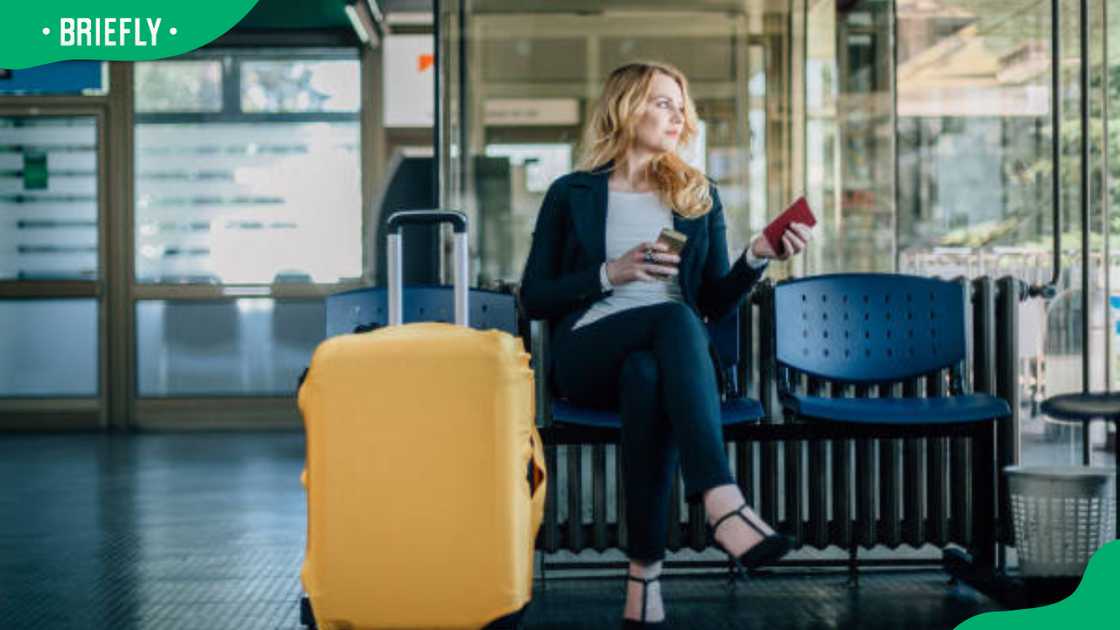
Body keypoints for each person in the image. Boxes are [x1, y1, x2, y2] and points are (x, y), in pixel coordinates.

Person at [519, 61, 813, 628]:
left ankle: (643, 583)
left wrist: (755, 257)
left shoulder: (697, 195)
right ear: (626, 108)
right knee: (674, 322)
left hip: (662, 359)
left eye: (681, 106)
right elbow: (535, 296)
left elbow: (712, 301)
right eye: (661, 103)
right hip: (587, 352)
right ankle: (721, 499)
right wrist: (612, 273)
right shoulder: (570, 193)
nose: (677, 116)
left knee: (652, 369)